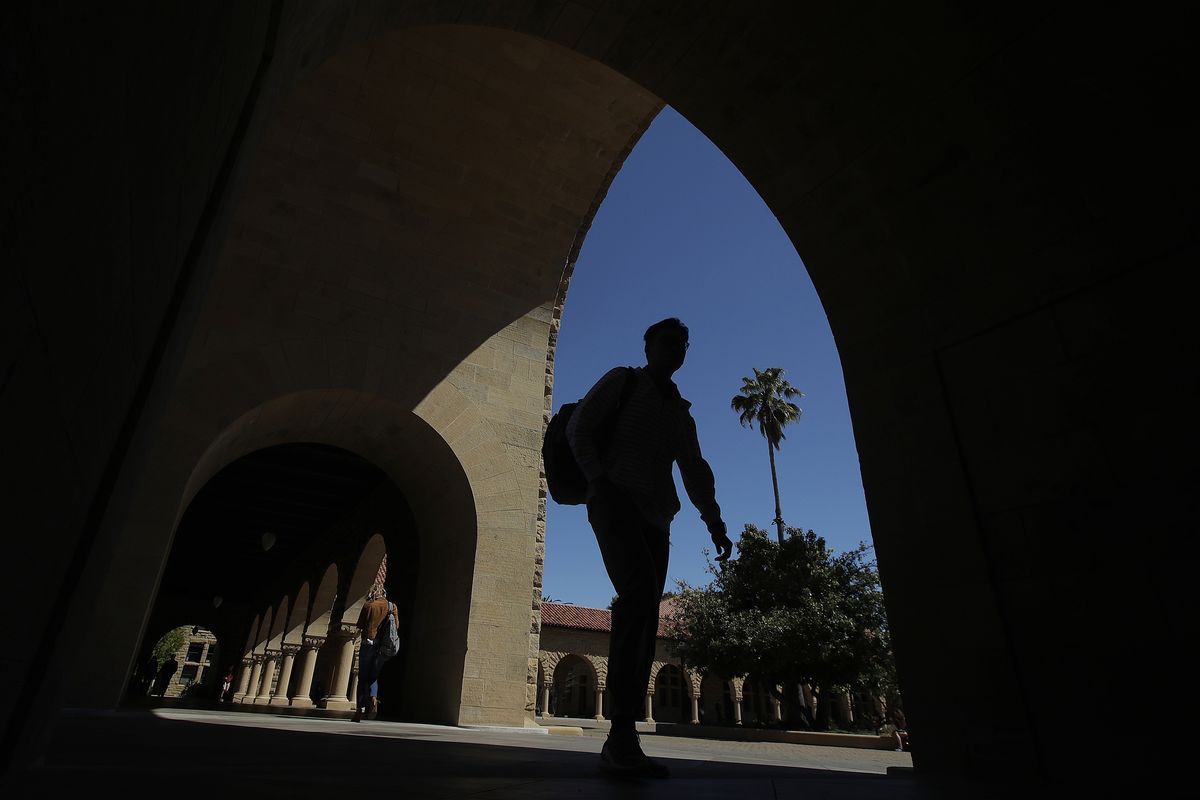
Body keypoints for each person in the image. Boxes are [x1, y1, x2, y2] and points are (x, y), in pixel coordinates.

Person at [567, 317, 733, 778]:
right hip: (615, 504)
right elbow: (579, 426)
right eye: (667, 341)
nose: (675, 349)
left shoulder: (681, 413)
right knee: (638, 596)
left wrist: (714, 522)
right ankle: (620, 733)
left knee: (644, 617)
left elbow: (695, 470)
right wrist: (598, 482)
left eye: (682, 344)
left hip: (658, 518)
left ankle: (626, 735)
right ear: (648, 346)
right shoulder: (623, 382)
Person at [353, 584, 397, 722]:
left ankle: (359, 710)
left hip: (368, 644)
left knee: (362, 678)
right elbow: (397, 625)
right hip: (383, 647)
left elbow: (360, 625)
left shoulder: (368, 605)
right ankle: (373, 697)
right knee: (373, 676)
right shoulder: (392, 606)